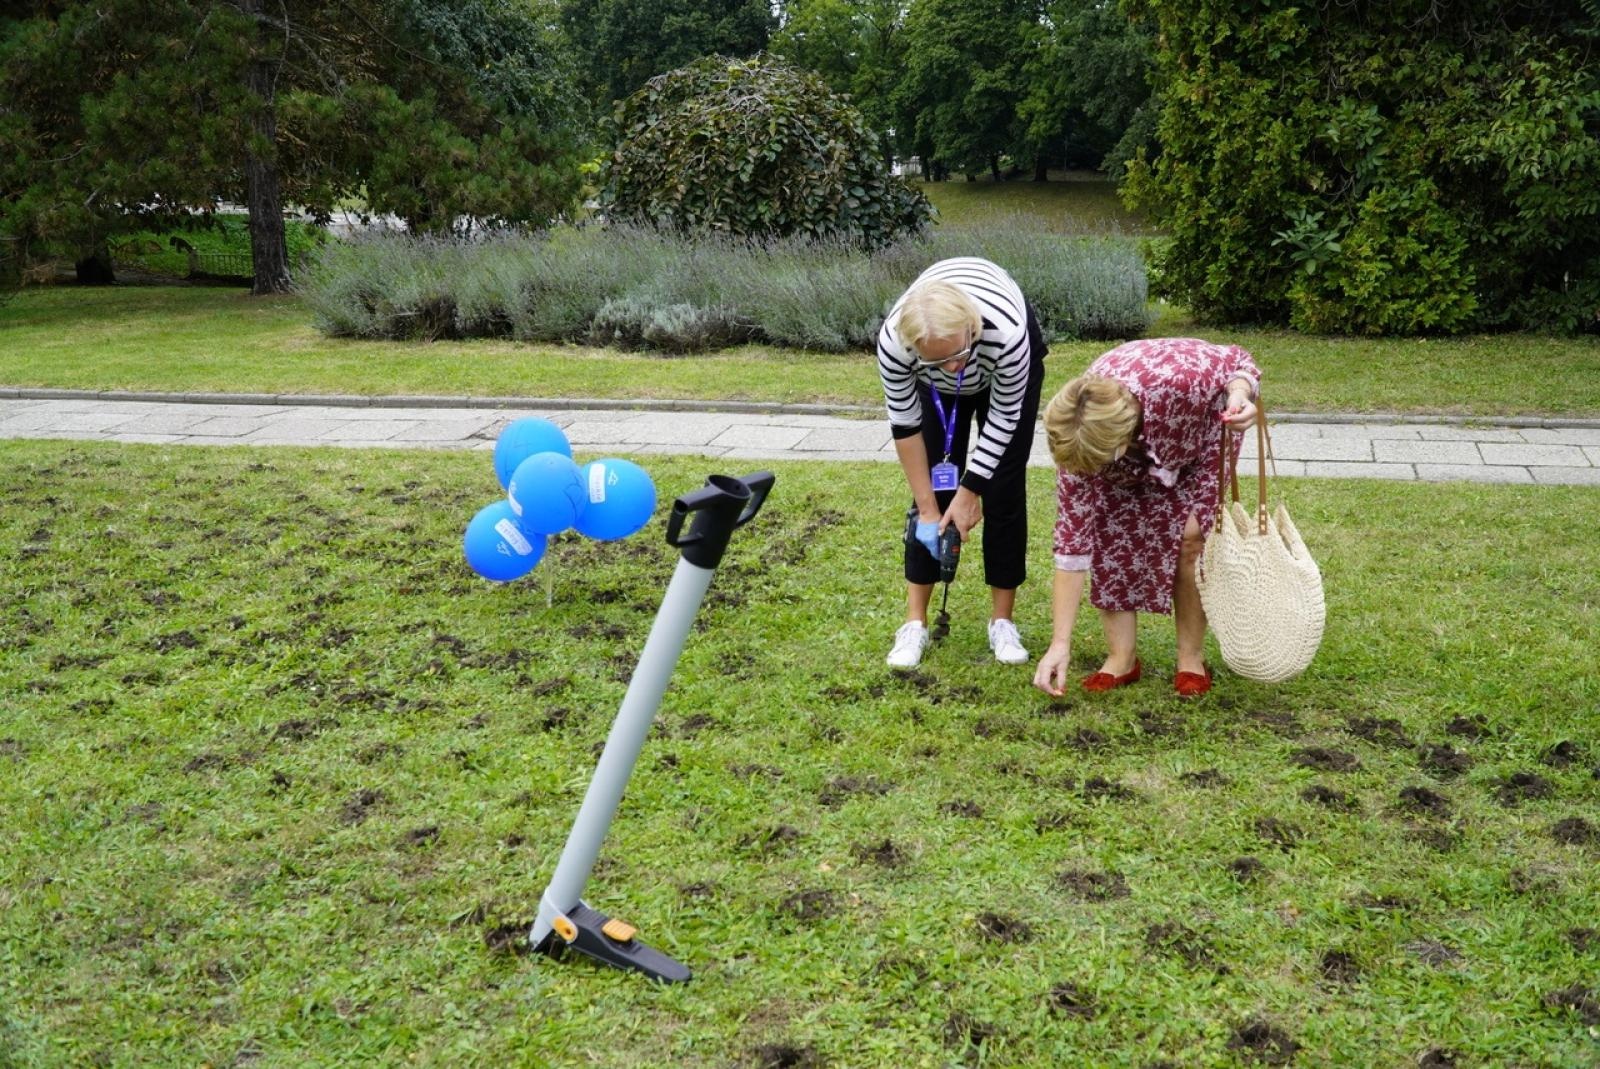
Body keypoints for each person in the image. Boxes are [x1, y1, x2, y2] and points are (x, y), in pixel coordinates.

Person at [1031, 338, 1261, 698]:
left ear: (1124, 441)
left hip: (1201, 431)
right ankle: (1121, 658)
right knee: (1110, 531)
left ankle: (1190, 658)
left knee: (1191, 536)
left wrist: (1240, 393)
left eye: (1099, 464)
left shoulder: (1182, 381)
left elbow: (1238, 360)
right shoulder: (1076, 435)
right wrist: (1060, 643)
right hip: (1120, 439)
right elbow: (1072, 543)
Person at [876, 257, 1048, 668]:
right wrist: (928, 508)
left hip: (1001, 374)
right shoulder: (895, 344)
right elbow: (905, 426)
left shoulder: (1006, 334)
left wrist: (971, 492)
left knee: (1003, 489)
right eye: (937, 361)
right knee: (933, 493)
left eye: (957, 355)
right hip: (936, 391)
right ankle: (914, 623)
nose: (953, 368)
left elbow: (1005, 417)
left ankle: (1002, 622)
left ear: (971, 327)